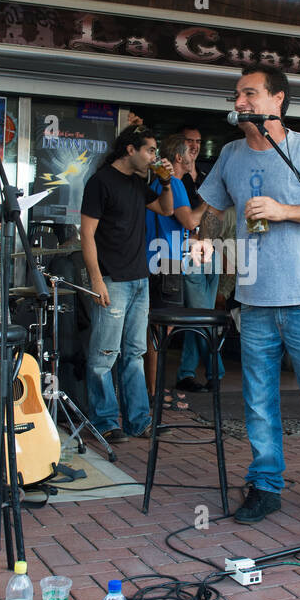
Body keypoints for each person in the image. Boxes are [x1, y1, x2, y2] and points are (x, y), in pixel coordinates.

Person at [197, 66, 300, 525]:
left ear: (278, 100)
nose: (240, 101)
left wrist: (284, 210)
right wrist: (203, 237)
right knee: (258, 401)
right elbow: (210, 212)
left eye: (250, 93)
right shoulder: (230, 154)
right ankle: (266, 485)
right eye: (237, 94)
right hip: (253, 303)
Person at [80, 124, 176, 443]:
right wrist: (96, 279)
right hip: (112, 279)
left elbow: (167, 209)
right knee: (104, 355)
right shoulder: (100, 182)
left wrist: (165, 181)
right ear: (130, 150)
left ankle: (137, 420)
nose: (154, 156)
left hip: (139, 279)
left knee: (134, 352)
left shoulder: (138, 182)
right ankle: (104, 421)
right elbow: (87, 234)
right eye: (150, 150)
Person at [143, 133, 195, 408]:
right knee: (161, 334)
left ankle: (153, 391)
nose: (194, 154)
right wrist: (211, 202)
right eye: (191, 150)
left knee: (153, 332)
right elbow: (188, 220)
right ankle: (155, 393)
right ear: (178, 157)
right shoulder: (174, 183)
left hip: (152, 259)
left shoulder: (157, 183)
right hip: (168, 262)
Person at [176, 125, 226, 391]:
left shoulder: (205, 175)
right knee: (201, 316)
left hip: (211, 250)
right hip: (188, 252)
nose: (194, 145)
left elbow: (216, 215)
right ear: (179, 147)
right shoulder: (176, 178)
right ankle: (214, 373)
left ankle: (187, 373)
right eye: (189, 141)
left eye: (198, 141)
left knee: (203, 315)